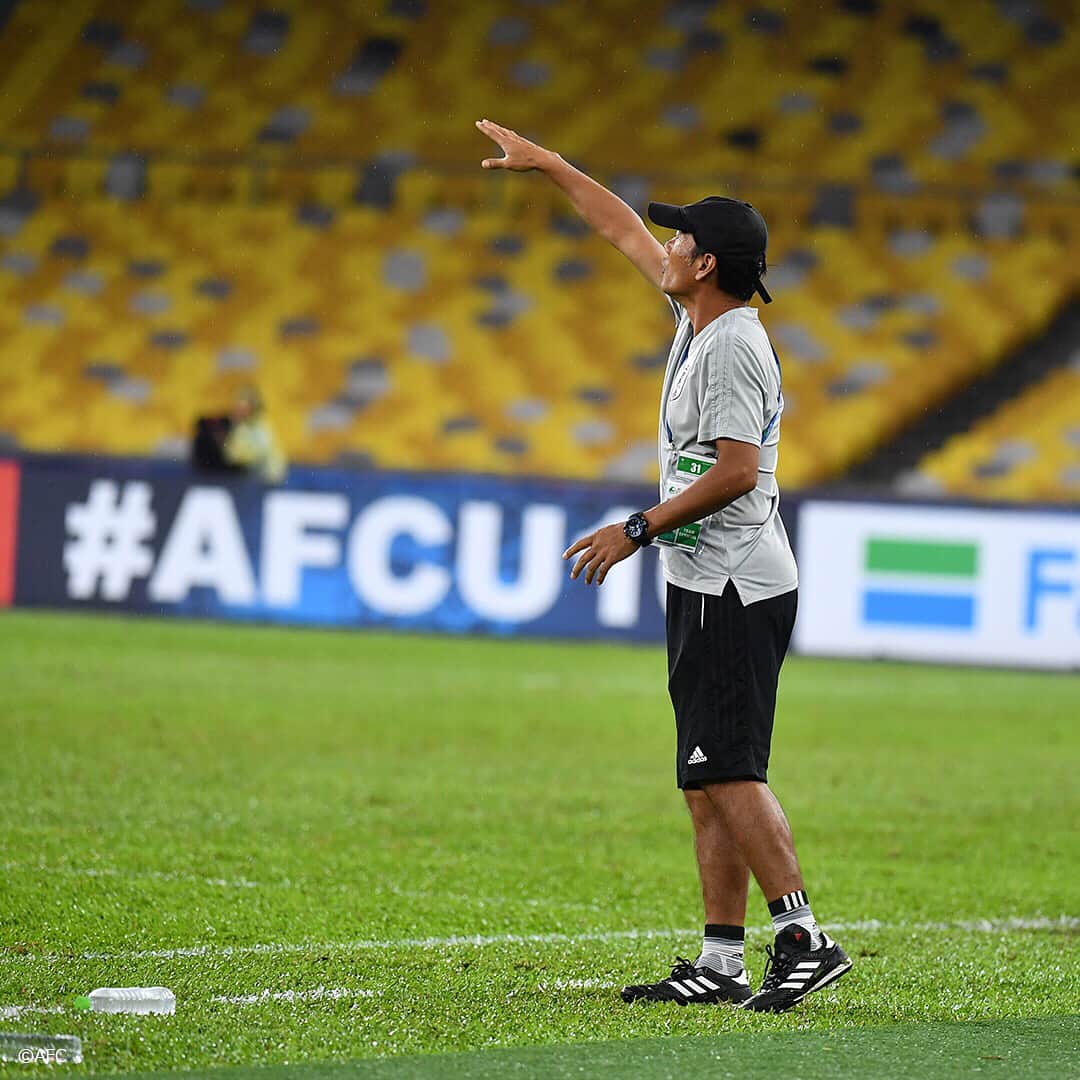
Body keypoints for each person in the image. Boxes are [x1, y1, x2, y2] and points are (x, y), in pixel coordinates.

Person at [476, 118, 852, 1013]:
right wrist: (555, 164)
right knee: (703, 774)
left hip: (733, 583)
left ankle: (803, 935)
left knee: (728, 767)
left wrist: (635, 530)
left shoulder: (732, 347)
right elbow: (619, 230)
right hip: (703, 579)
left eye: (682, 238)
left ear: (710, 263)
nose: (667, 246)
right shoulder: (699, 314)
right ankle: (721, 960)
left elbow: (733, 470)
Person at [222, 387, 287, 484]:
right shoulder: (240, 427)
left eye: (243, 408)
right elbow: (231, 454)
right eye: (238, 407)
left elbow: (263, 453)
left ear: (252, 407)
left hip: (265, 479)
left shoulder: (262, 426)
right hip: (248, 476)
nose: (239, 411)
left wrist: (241, 455)